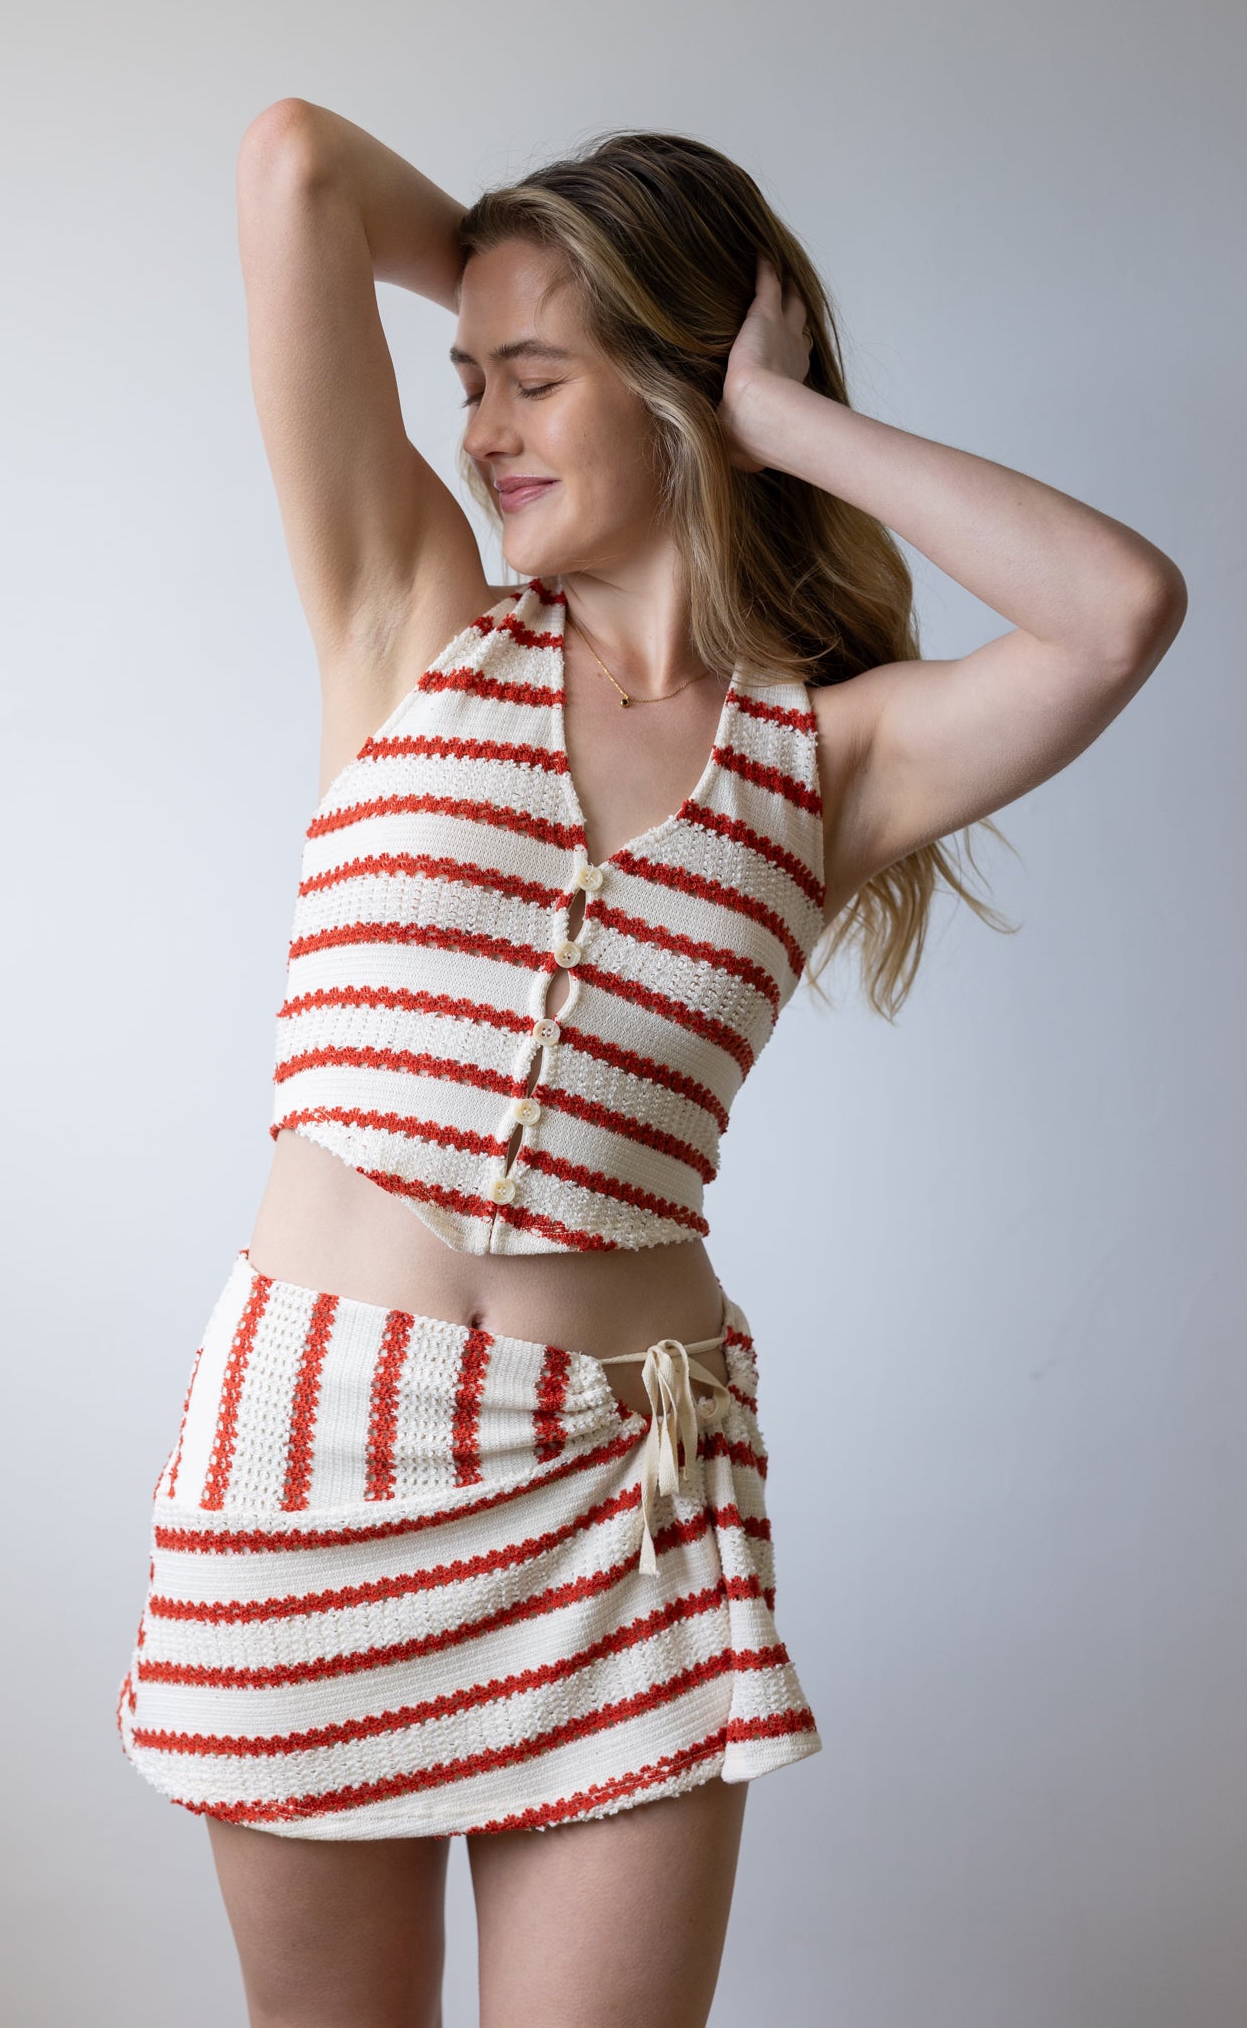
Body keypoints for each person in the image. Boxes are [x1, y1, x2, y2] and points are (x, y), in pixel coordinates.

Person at [115, 100, 1187, 2028]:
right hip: (307, 1456)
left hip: (620, 1503)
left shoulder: (831, 760)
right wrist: (539, 288)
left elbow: (1118, 613)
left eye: (533, 380)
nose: (480, 427)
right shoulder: (409, 622)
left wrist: (775, 417)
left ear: (677, 398)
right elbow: (289, 161)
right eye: (470, 379)